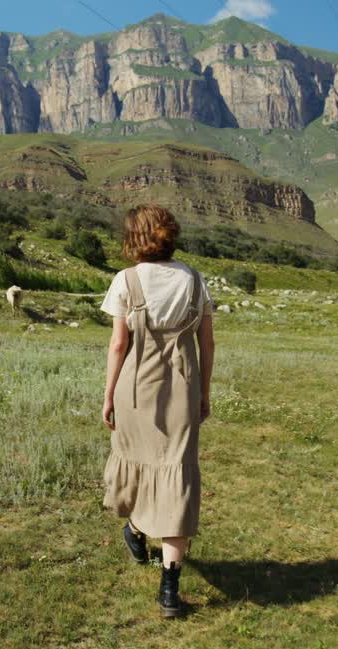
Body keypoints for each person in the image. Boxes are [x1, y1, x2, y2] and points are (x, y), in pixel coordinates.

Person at [100, 205, 215, 618]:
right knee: (176, 472)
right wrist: (203, 392)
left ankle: (135, 529)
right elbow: (206, 343)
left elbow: (119, 345)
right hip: (183, 389)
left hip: (135, 390)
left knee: (140, 463)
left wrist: (108, 395)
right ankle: (169, 590)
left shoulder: (126, 280)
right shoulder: (195, 281)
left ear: (134, 238)